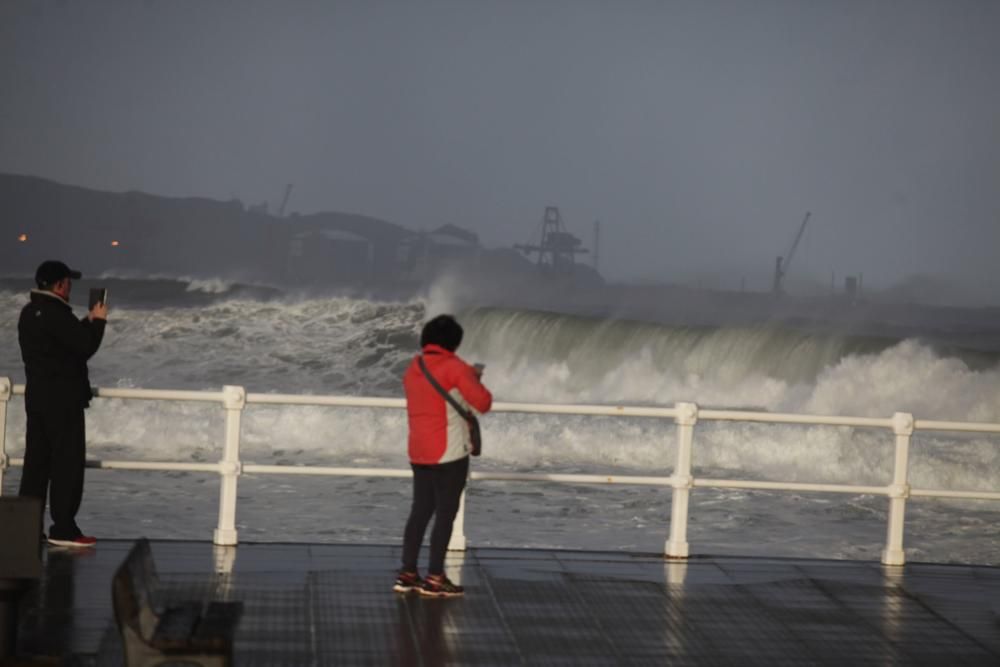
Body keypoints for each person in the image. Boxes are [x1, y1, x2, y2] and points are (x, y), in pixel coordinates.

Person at [395, 314, 492, 597]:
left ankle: (407, 573)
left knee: (420, 511)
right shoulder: (455, 368)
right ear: (454, 341)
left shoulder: (414, 367)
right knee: (446, 514)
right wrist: (474, 379)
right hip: (449, 453)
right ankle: (435, 577)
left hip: (419, 449)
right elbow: (483, 402)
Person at [18, 260, 108, 548]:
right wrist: (100, 321)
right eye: (69, 282)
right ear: (59, 285)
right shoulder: (57, 313)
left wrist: (86, 322)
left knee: (36, 466)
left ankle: (26, 528)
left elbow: (62, 341)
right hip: (64, 402)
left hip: (37, 400)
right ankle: (64, 529)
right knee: (66, 467)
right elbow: (84, 346)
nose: (71, 287)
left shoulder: (30, 313)